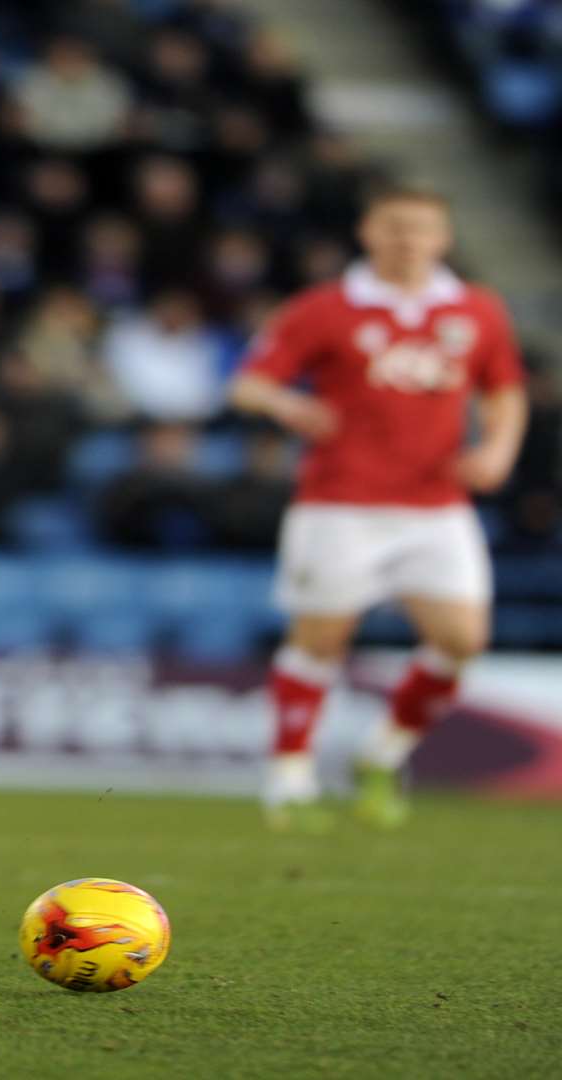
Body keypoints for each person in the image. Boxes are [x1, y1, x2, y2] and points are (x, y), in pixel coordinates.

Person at [229, 183, 527, 831]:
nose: (408, 240)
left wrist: (499, 450)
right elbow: (250, 383)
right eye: (394, 227)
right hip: (341, 503)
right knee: (322, 641)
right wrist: (288, 404)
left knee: (461, 641)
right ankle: (290, 780)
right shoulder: (326, 309)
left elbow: (504, 391)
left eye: (421, 229)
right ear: (368, 231)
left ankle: (381, 757)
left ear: (442, 238)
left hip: (436, 504)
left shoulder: (477, 310)